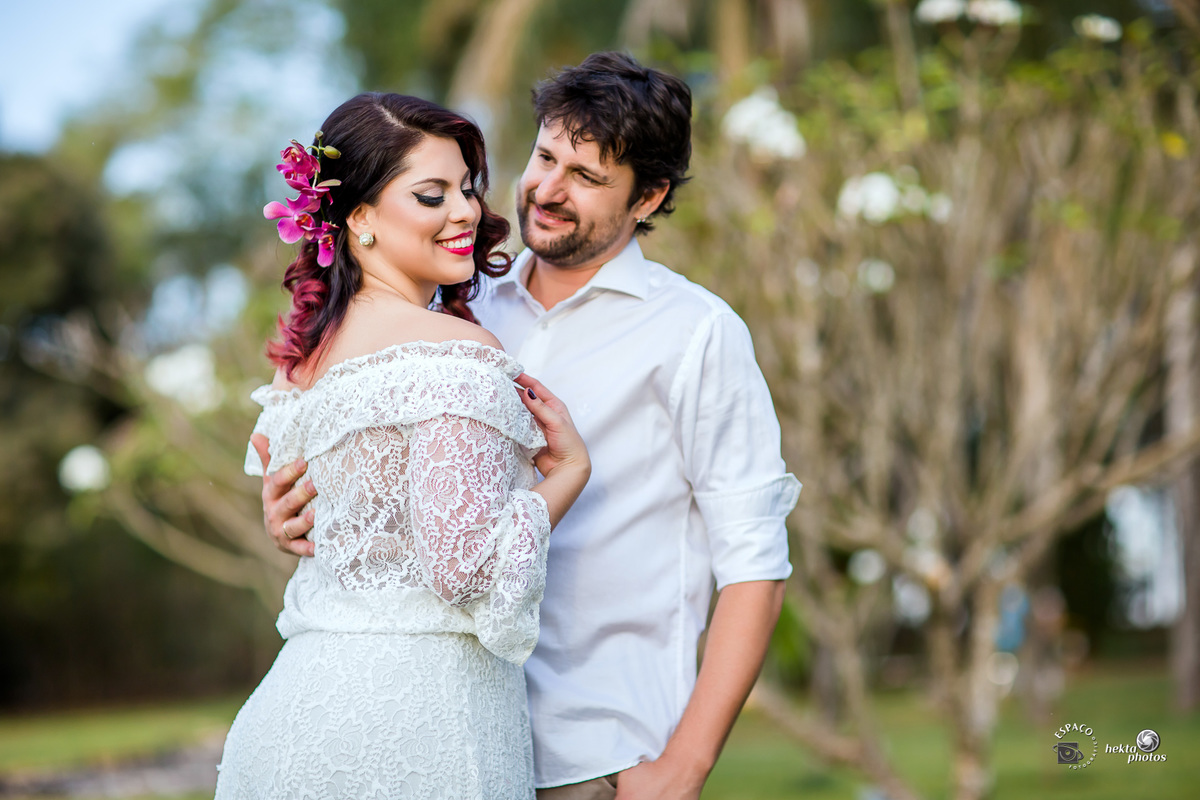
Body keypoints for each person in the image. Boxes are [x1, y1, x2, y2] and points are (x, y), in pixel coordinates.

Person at [257, 53, 800, 800]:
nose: (546, 189)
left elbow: (755, 562)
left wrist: (686, 765)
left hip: (597, 754)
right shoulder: (458, 307)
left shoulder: (696, 334)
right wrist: (294, 506)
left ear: (648, 197)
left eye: (586, 177)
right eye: (545, 156)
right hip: (444, 729)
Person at [217, 92, 590, 799]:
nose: (466, 212)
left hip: (295, 712)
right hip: (420, 726)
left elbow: (295, 500)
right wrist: (568, 473)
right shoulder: (454, 356)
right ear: (357, 217)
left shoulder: (301, 363)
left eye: (468, 188)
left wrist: (286, 519)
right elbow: (466, 571)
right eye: (431, 194)